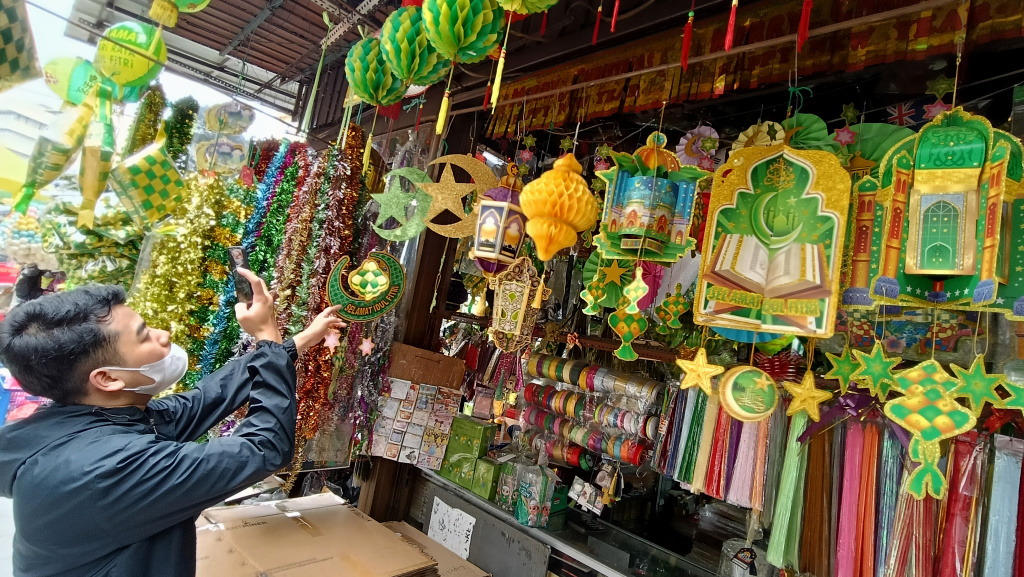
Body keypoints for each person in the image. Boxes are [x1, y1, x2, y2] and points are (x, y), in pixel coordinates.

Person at [0, 268, 345, 577]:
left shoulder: (88, 419)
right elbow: (263, 448)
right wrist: (267, 339)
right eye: (144, 335)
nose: (163, 335)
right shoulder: (108, 469)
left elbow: (204, 399)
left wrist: (295, 342)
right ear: (106, 378)